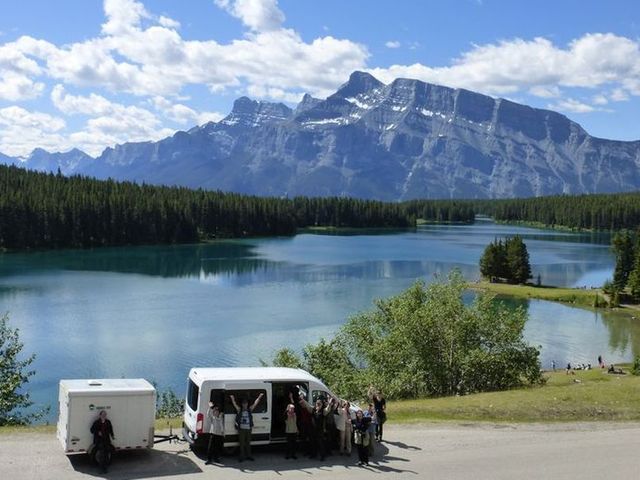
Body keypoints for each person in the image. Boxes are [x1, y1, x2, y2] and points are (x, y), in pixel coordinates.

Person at [229, 392, 264, 462]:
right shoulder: (239, 410)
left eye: (246, 403)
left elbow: (255, 404)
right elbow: (235, 405)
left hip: (248, 429)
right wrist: (232, 399)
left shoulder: (249, 410)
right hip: (241, 429)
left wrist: (259, 397)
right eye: (243, 403)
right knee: (241, 444)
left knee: (248, 443)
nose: (245, 404)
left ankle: (249, 456)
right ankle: (241, 457)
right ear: (242, 404)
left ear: (247, 404)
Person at [298, 394, 332, 460]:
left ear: (321, 404)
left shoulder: (323, 411)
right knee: (313, 442)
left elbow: (328, 409)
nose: (318, 404)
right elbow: (307, 405)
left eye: (319, 403)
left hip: (320, 430)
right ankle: (313, 455)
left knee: (320, 443)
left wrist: (329, 403)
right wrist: (303, 400)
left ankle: (322, 456)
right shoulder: (313, 409)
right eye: (317, 403)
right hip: (313, 429)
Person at [285, 393, 299, 459]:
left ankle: (293, 455)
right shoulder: (286, 414)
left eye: (293, 409)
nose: (292, 409)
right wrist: (288, 409)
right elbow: (288, 408)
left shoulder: (295, 414)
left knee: (294, 444)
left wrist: (291, 398)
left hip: (294, 431)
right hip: (288, 431)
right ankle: (287, 455)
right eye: (291, 408)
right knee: (288, 444)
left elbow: (294, 404)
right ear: (288, 409)